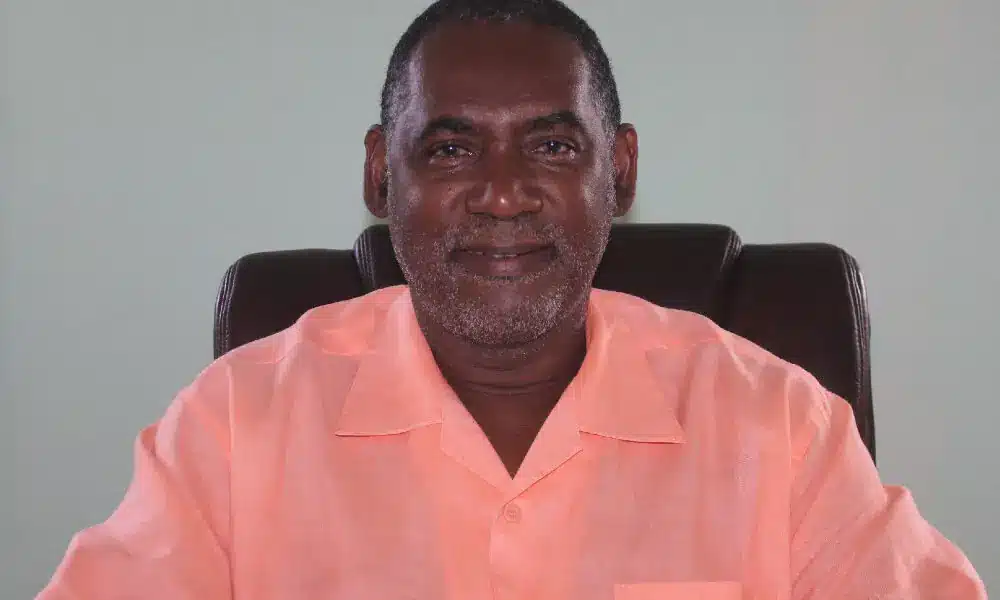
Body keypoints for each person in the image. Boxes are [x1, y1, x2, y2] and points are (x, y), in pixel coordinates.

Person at [39, 1, 985, 598]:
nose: (501, 194)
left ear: (620, 171)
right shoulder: (235, 426)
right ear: (381, 175)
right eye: (451, 149)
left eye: (553, 147)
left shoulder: (779, 427)